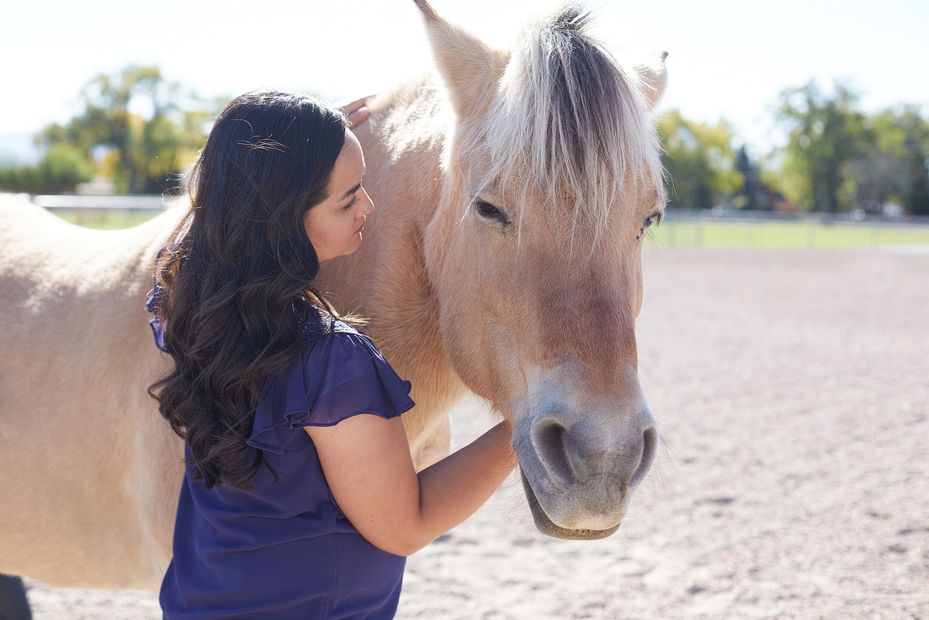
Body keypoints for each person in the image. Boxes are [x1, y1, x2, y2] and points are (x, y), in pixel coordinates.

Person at [144, 91, 516, 619]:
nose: (368, 205)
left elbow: (196, 230)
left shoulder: (190, 313)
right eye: (349, 196)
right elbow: (405, 525)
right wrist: (522, 427)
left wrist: (278, 155)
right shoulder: (333, 364)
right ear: (283, 215)